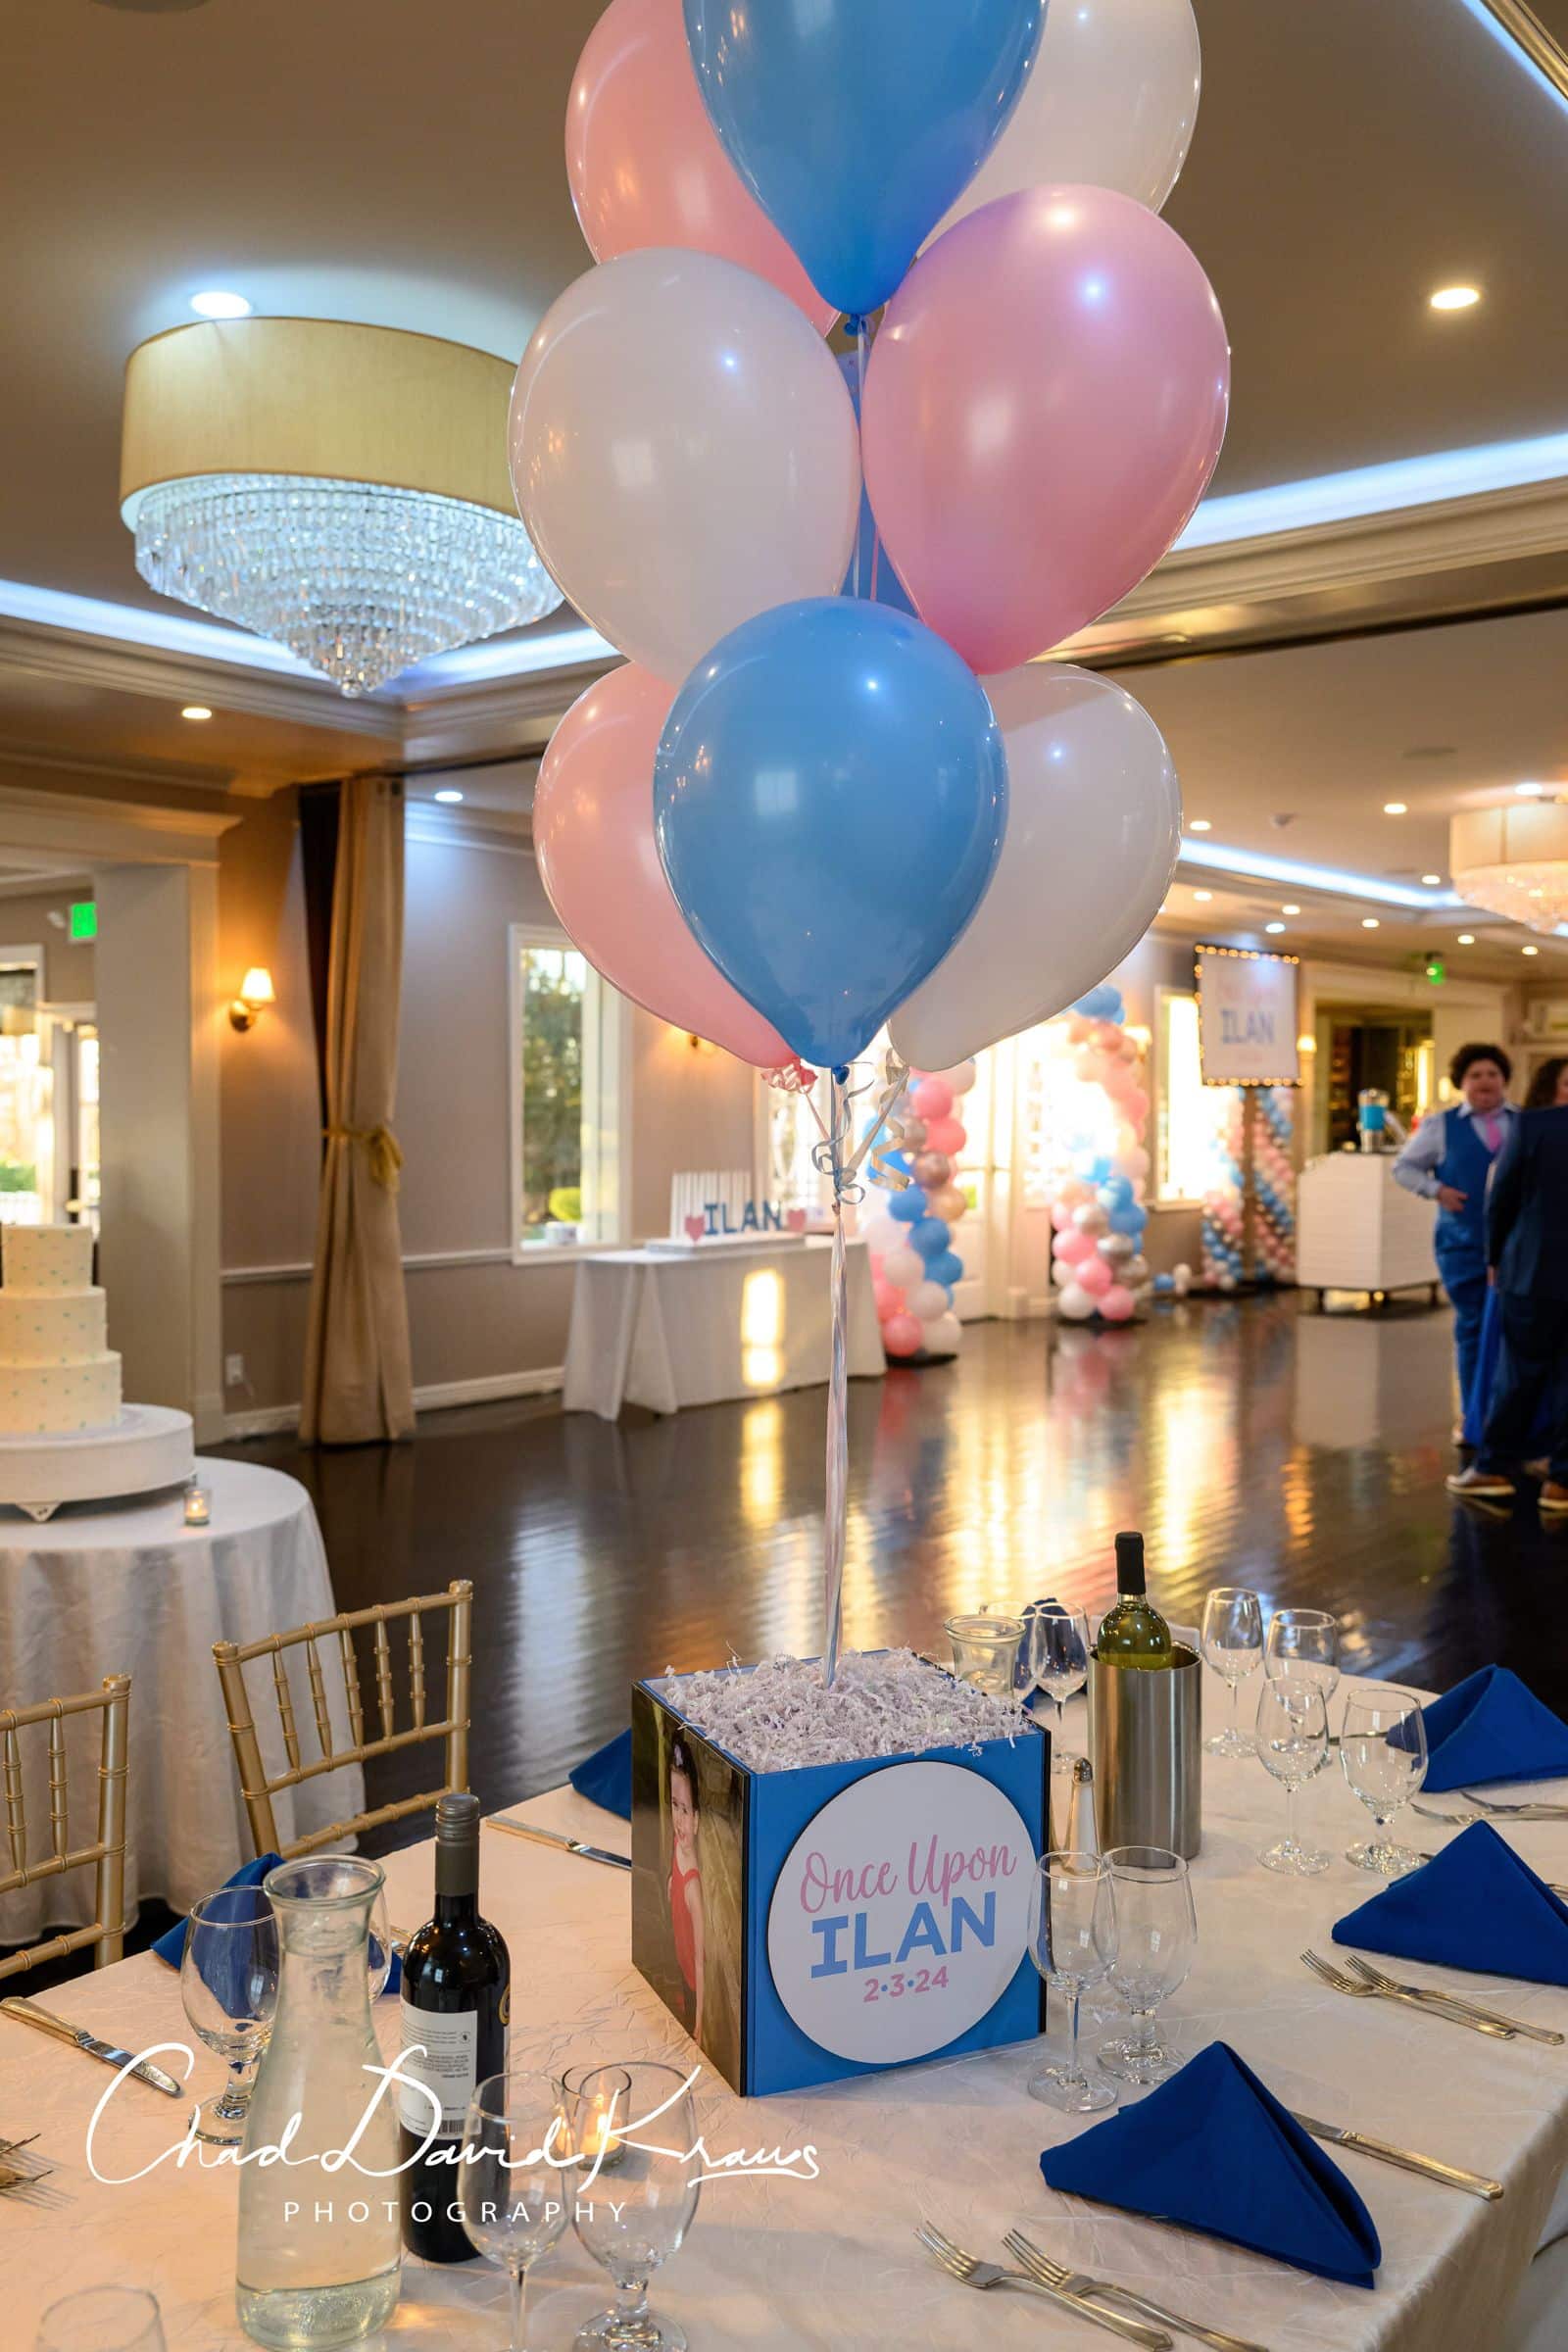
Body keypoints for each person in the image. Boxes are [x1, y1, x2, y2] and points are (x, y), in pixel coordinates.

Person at [1447, 1087, 1568, 1512]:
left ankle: (1494, 1468)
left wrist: (1494, 1257)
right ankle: (1561, 1483)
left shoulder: (1535, 1125)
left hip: (1534, 1271)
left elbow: (1503, 1198)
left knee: (1519, 1371)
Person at [1392, 1043, 1517, 1437]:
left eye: (1492, 1075)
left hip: (1517, 1247)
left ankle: (1510, 1415)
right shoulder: (1440, 1126)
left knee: (1515, 1332)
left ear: (1504, 1081)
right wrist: (1437, 1190)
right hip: (1462, 1245)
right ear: (1462, 1083)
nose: (1485, 1082)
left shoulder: (1524, 1123)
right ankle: (1473, 1417)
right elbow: (1404, 1168)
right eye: (1476, 1076)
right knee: (1474, 1327)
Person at [667, 1735, 705, 2043]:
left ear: (696, 1820)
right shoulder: (676, 1846)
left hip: (693, 1986)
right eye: (674, 1806)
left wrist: (701, 2023)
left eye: (685, 1810)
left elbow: (701, 1960)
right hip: (678, 1969)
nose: (678, 1821)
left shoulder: (694, 1884)